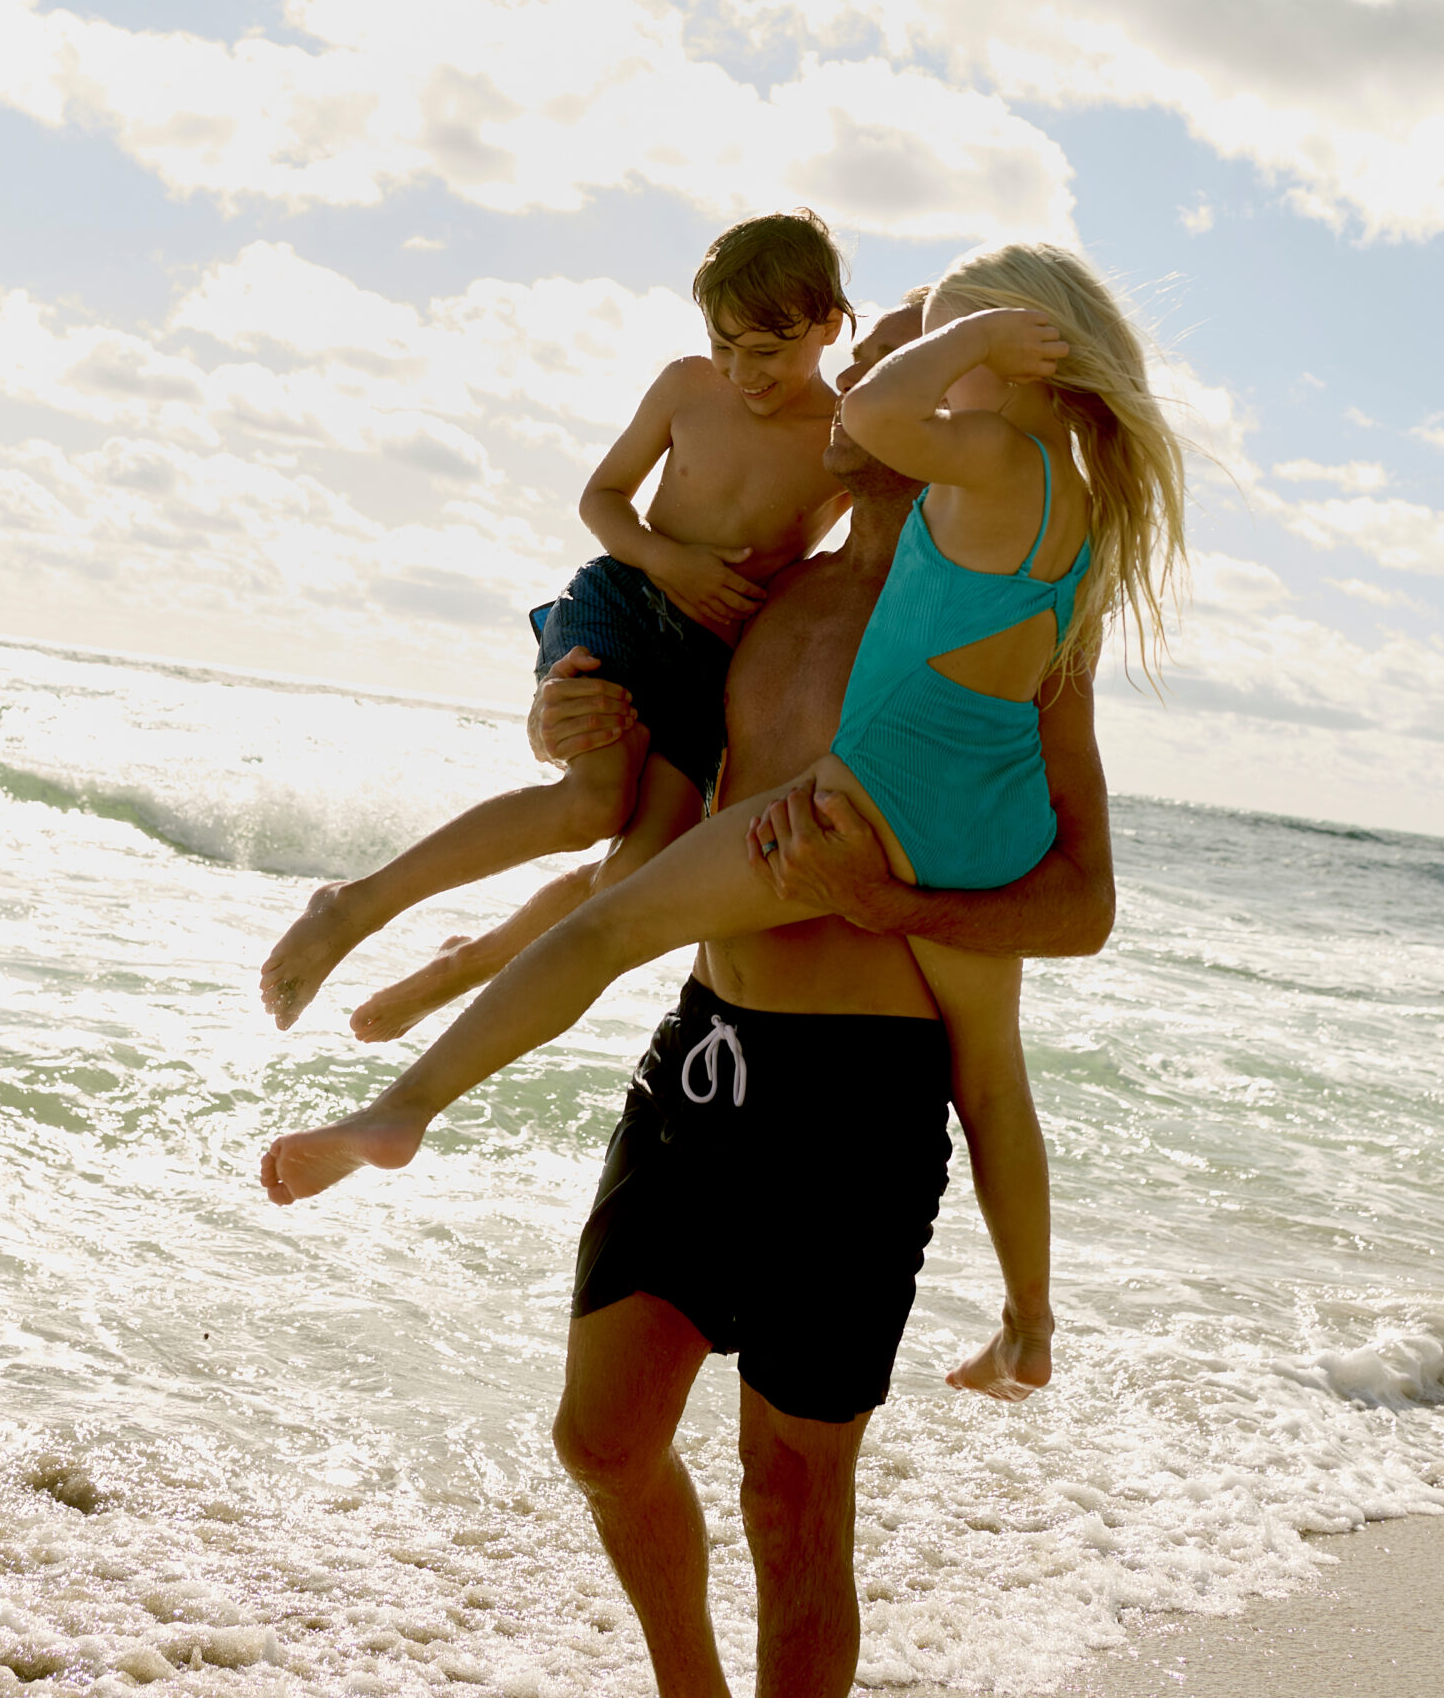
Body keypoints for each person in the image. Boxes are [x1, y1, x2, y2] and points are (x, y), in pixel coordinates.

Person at [254, 276, 1130, 1698]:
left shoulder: (1015, 621)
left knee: (790, 1504)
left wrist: (893, 901)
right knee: (599, 1440)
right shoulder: (756, 596)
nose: (851, 392)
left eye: (900, 359)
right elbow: (630, 810)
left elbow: (1081, 900)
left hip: (861, 1097)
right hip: (701, 1062)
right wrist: (563, 701)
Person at [258, 208, 854, 1031]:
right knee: (589, 804)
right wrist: (665, 556)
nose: (741, 372)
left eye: (767, 353)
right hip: (625, 601)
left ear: (828, 325)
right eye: (723, 346)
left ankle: (462, 966)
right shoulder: (688, 387)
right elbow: (600, 498)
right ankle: (354, 905)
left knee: (636, 873)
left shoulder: (844, 439)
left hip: (710, 664)